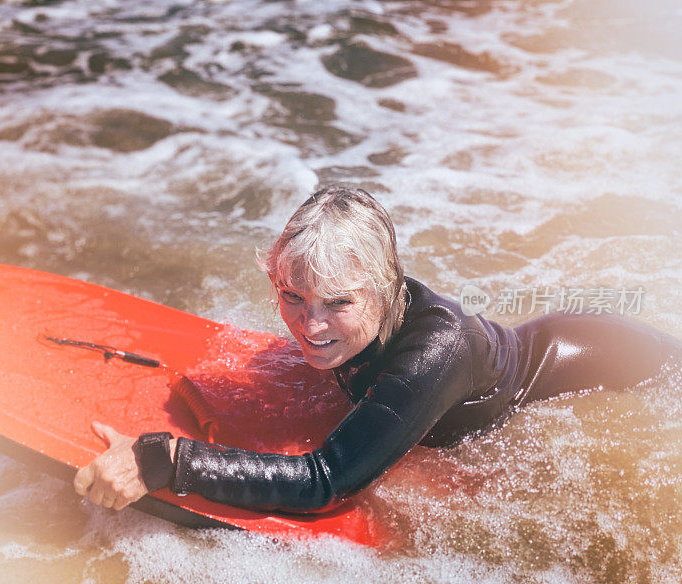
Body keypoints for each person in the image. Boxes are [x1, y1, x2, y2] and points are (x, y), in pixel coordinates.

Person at [74, 187, 681, 513]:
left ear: (386, 290)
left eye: (337, 304)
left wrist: (169, 461)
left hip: (621, 362)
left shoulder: (436, 351)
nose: (309, 327)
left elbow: (325, 483)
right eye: (292, 297)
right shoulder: (349, 316)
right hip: (555, 337)